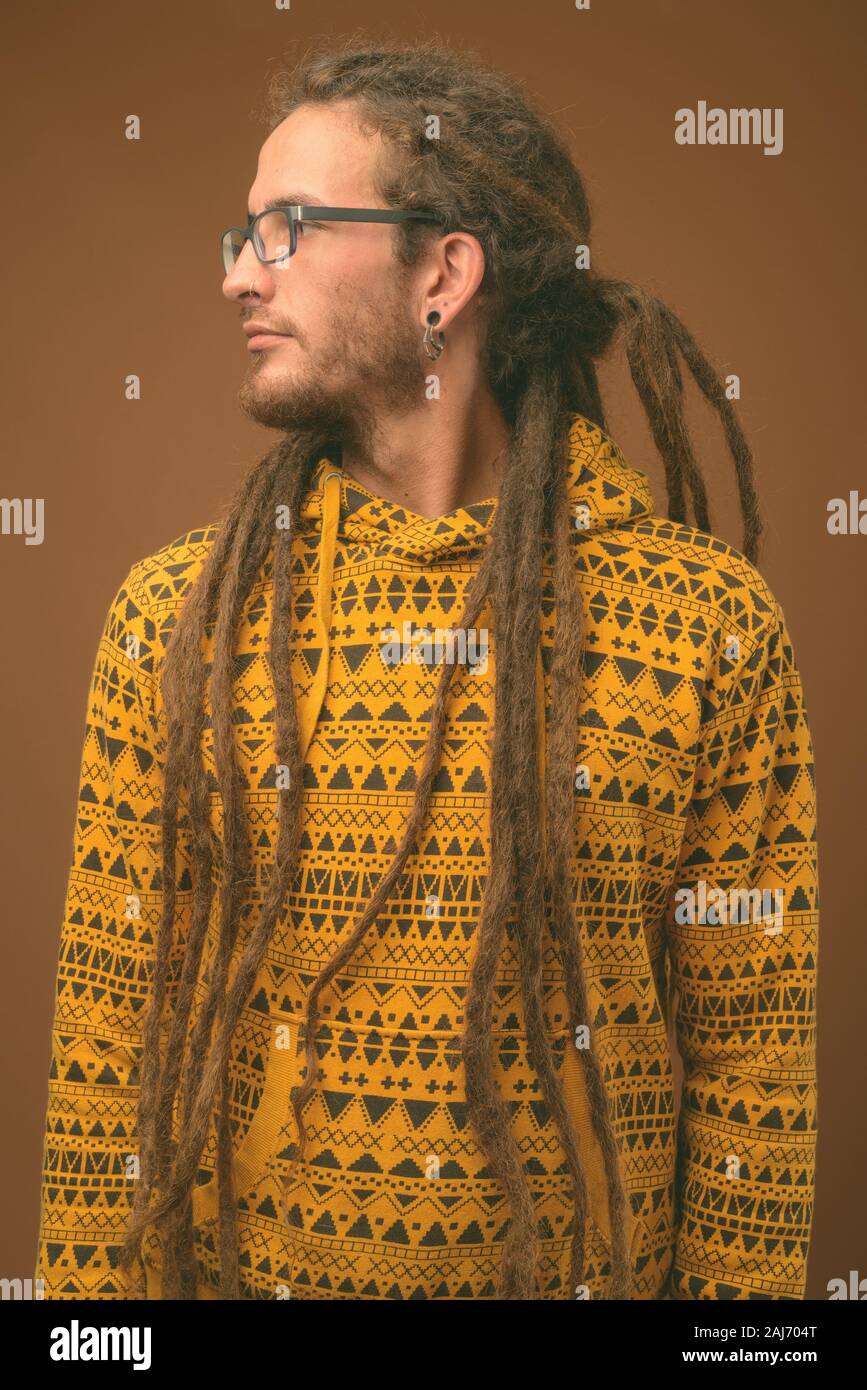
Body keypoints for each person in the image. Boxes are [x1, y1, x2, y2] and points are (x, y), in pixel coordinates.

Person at [34, 36, 818, 1301]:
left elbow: (751, 1081)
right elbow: (103, 1052)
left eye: (286, 226)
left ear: (444, 272)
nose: (239, 273)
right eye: (239, 234)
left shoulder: (703, 628)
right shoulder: (177, 617)